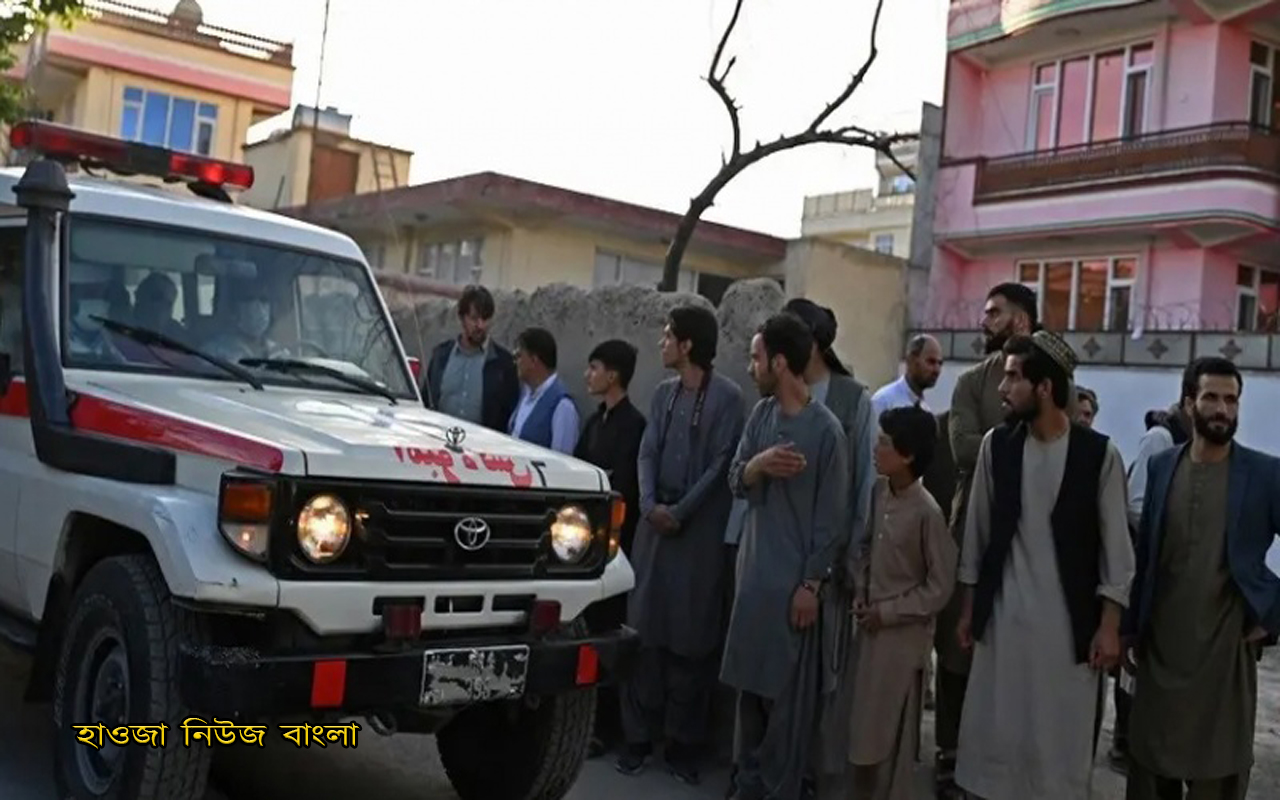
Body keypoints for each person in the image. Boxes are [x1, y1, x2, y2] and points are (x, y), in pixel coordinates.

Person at [954, 330, 1134, 800]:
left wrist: (1109, 626)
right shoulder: (999, 445)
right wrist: (971, 608)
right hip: (1004, 626)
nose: (1002, 388)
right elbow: (977, 533)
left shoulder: (1100, 456)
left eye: (1013, 377)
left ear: (1045, 388)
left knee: (1056, 756)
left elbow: (1117, 552)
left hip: (1066, 633)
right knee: (996, 743)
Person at [1123, 357, 1280, 800]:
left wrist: (1272, 614)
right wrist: (1131, 627)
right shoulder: (1161, 466)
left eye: (1232, 400)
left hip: (1225, 658)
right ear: (1189, 403)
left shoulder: (1265, 474)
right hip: (1161, 652)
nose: (1223, 410)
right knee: (1151, 769)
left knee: (1217, 773)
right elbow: (1147, 554)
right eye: (1211, 397)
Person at [722, 313, 849, 800]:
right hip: (753, 580)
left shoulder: (826, 431)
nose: (751, 367)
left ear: (779, 362)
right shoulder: (761, 417)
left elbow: (831, 522)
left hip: (794, 591)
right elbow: (736, 479)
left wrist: (811, 585)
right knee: (749, 701)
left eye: (756, 358)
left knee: (787, 712)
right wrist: (758, 465)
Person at [619, 305, 745, 785]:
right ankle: (636, 741)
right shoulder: (662, 393)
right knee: (644, 635)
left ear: (688, 344)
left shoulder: (728, 398)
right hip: (655, 531)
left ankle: (681, 745)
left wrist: (681, 512)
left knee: (691, 646)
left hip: (695, 537)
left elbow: (720, 466)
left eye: (669, 335)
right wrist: (651, 504)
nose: (662, 343)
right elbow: (647, 450)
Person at [935, 282, 1038, 797]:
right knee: (957, 653)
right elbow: (963, 449)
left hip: (1032, 540)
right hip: (968, 531)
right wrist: (1026, 448)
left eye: (994, 313)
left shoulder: (1050, 379)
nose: (984, 320)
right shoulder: (971, 383)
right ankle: (950, 757)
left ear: (1021, 322)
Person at [779, 299, 876, 800]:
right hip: (779, 563)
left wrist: (848, 562)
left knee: (824, 683)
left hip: (831, 572)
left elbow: (862, 489)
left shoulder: (852, 399)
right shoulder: (776, 396)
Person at [848, 405, 957, 800]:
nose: (876, 450)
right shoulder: (879, 494)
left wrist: (889, 612)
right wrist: (861, 593)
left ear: (908, 454)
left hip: (902, 640)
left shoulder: (927, 511)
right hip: (868, 633)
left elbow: (939, 586)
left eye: (885, 444)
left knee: (893, 735)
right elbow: (863, 549)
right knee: (862, 733)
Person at [576, 339, 648, 759]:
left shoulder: (633, 426)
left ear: (614, 375)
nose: (589, 375)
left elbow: (623, 488)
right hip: (582, 550)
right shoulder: (594, 422)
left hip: (613, 549)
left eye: (595, 367)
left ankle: (606, 729)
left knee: (607, 637)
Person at [423, 284, 520, 432]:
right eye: (474, 318)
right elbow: (425, 401)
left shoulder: (503, 364)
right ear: (462, 318)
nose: (480, 325)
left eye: (485, 318)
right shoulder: (441, 356)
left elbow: (509, 416)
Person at [508, 327, 580, 454]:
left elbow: (562, 460)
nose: (515, 362)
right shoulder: (526, 394)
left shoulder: (562, 406)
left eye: (519, 356)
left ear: (533, 361)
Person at [205, 281, 287, 364]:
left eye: (264, 299)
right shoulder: (213, 353)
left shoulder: (279, 353)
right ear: (234, 308)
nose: (258, 307)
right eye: (249, 299)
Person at [871, 333, 944, 417]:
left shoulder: (926, 410)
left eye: (940, 363)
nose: (937, 370)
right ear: (911, 360)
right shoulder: (884, 401)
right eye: (931, 362)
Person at [132, 272, 187, 342]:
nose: (162, 306)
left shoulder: (176, 332)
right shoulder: (120, 328)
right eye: (157, 297)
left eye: (168, 303)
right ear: (140, 296)